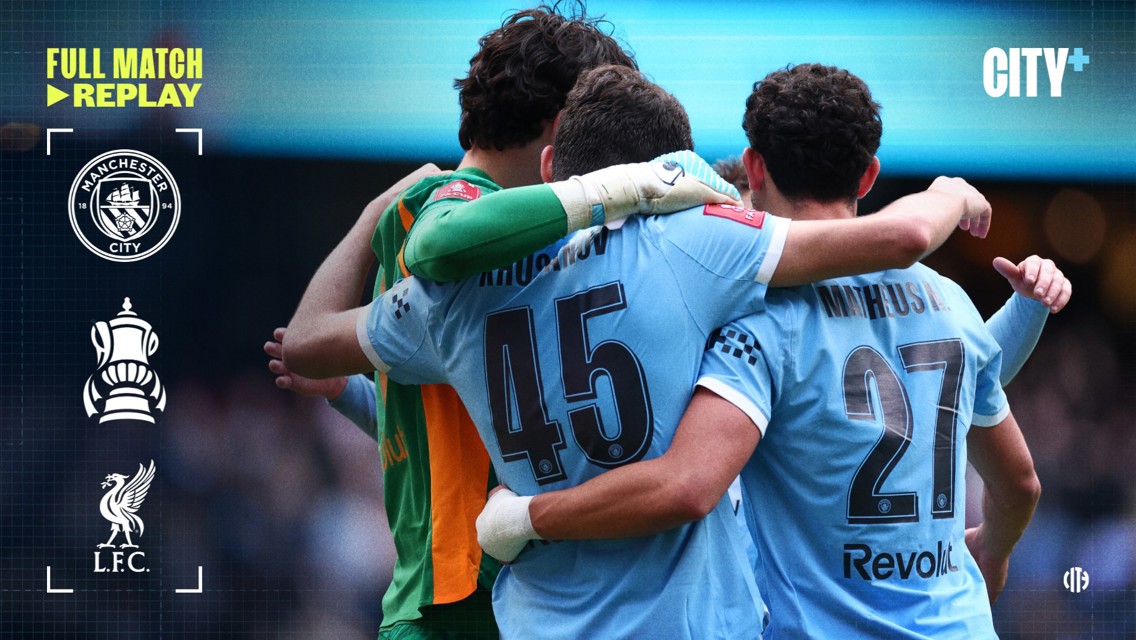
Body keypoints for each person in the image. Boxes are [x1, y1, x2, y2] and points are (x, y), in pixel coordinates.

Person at [282, 64, 997, 638]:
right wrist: (952, 194)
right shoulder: (695, 243)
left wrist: (377, 212)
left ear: (553, 164)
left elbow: (308, 342)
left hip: (538, 622)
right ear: (672, 173)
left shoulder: (454, 294)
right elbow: (895, 245)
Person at [477, 64, 1070, 638]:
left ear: (754, 168)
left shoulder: (763, 317)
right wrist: (992, 551)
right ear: (868, 176)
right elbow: (1020, 484)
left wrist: (526, 517)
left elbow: (687, 484)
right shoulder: (950, 301)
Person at [272, 5, 642, 638]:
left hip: (447, 601)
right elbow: (309, 343)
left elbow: (455, 417)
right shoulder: (464, 222)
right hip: (477, 599)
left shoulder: (424, 216)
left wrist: (353, 392)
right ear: (563, 126)